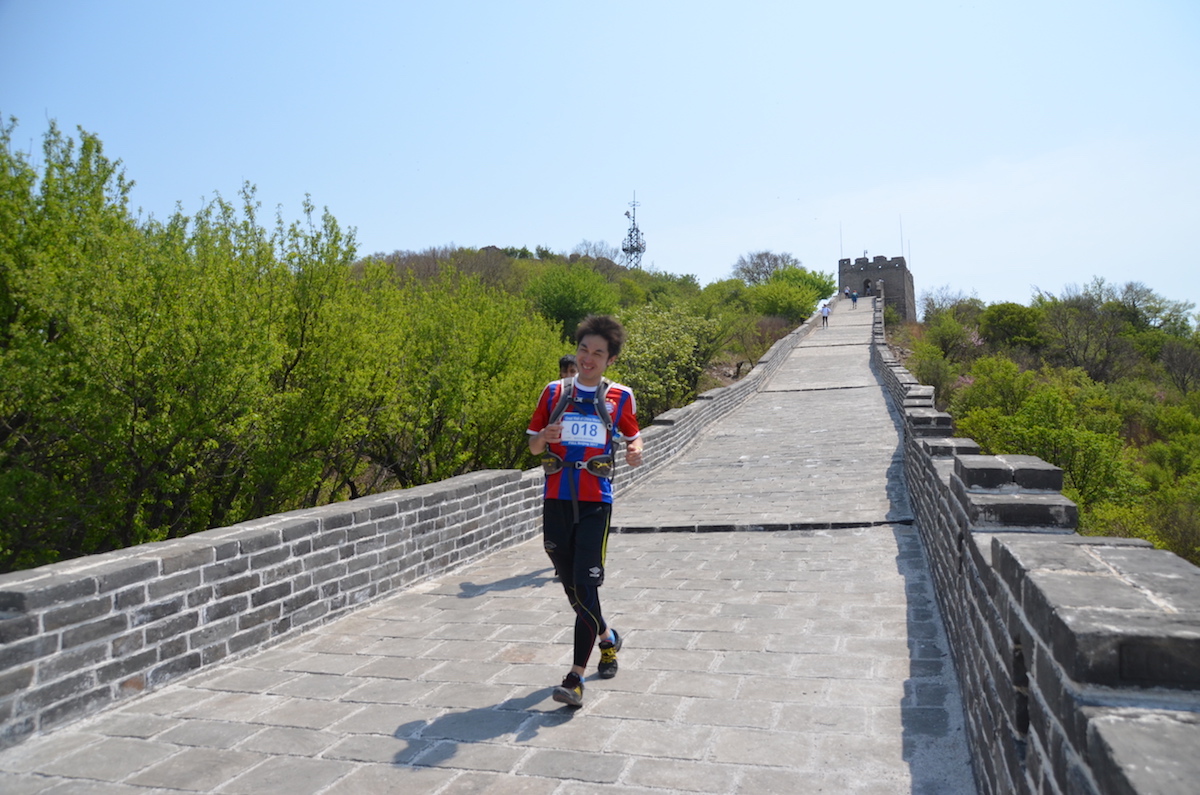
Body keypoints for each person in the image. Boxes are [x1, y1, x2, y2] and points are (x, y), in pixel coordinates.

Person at [527, 315, 643, 708]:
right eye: (583, 349)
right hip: (556, 498)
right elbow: (533, 447)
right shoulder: (554, 392)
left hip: (596, 501)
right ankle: (608, 639)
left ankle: (575, 678)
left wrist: (635, 449)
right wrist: (545, 437)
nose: (587, 358)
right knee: (573, 589)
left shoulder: (620, 396)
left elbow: (633, 434)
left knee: (585, 585)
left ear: (610, 359)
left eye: (598, 353)